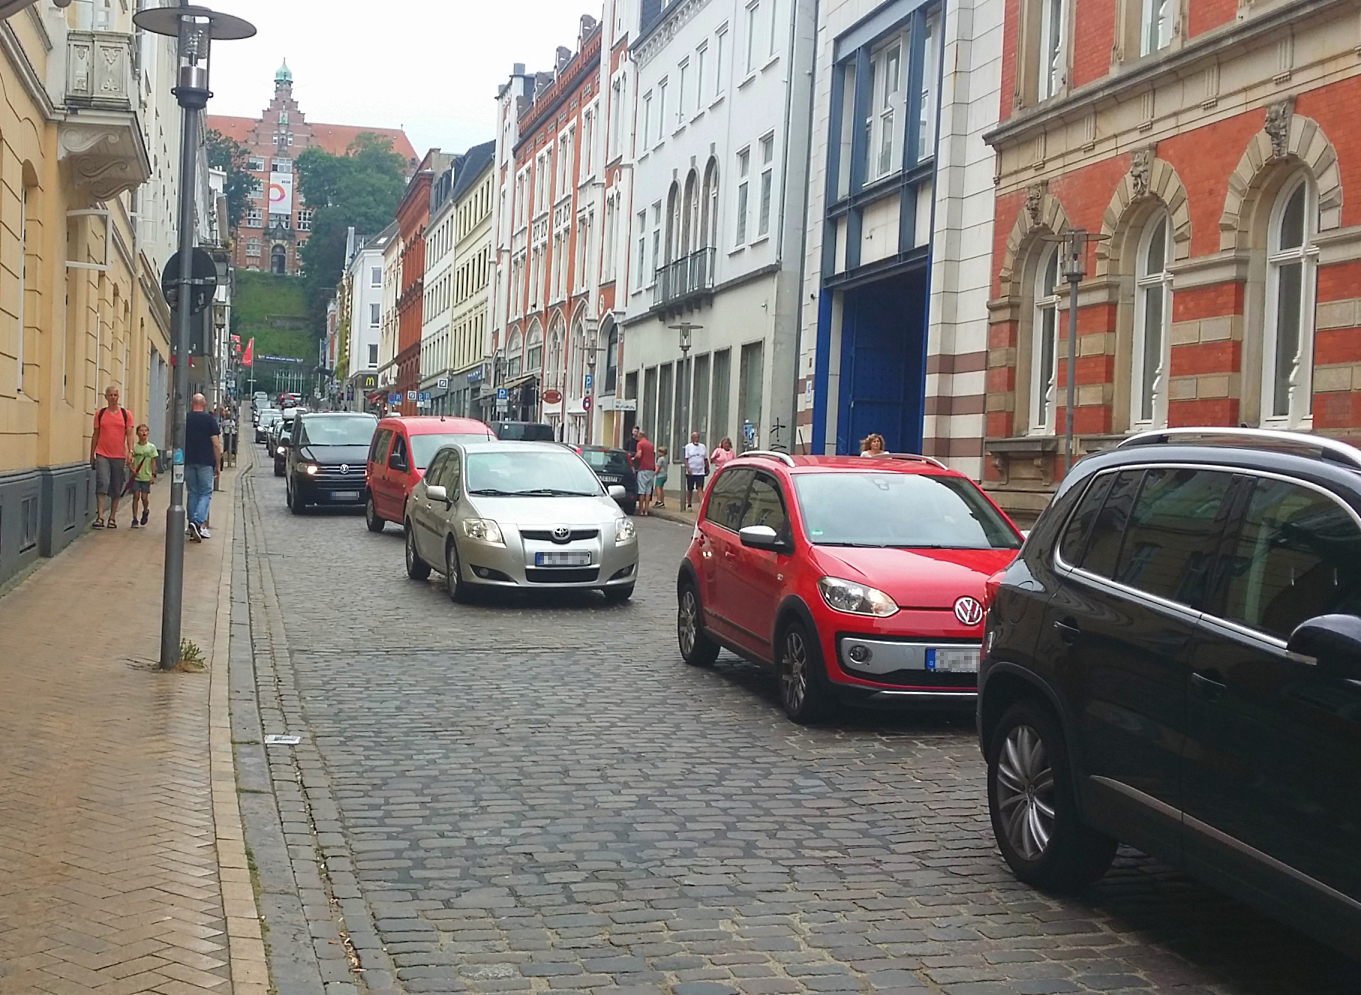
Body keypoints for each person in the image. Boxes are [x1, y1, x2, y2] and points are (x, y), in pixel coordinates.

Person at [90, 385, 134, 529]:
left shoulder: (126, 414)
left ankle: (112, 517)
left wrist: (130, 451)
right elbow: (95, 435)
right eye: (111, 395)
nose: (113, 398)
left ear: (118, 397)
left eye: (115, 395)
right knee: (102, 482)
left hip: (119, 455)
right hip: (102, 453)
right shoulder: (100, 414)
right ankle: (100, 516)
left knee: (116, 485)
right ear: (106, 397)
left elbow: (129, 434)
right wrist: (92, 454)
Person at [185, 394, 222, 542]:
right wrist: (218, 464)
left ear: (191, 403)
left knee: (192, 493)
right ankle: (197, 522)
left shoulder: (185, 418)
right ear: (205, 404)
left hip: (188, 460)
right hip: (206, 461)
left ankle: (191, 525)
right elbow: (216, 444)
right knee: (205, 493)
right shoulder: (209, 420)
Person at [128, 424, 158, 529]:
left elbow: (153, 461)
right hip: (136, 476)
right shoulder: (134, 448)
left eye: (146, 430)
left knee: (144, 497)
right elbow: (129, 461)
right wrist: (132, 470)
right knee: (136, 496)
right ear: (137, 433)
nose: (144, 432)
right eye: (141, 430)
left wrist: (153, 474)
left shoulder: (151, 447)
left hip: (146, 476)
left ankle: (145, 511)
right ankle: (134, 518)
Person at [682, 431, 709, 510]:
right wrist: (688, 468)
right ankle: (689, 504)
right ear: (692, 438)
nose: (696, 439)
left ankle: (702, 505)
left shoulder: (702, 447)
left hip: (700, 471)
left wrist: (707, 467)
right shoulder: (688, 447)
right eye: (695, 437)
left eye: (697, 437)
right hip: (691, 471)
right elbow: (686, 459)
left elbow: (705, 458)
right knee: (690, 489)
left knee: (700, 488)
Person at [633, 429, 656, 517]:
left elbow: (639, 454)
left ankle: (641, 510)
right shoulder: (650, 445)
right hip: (651, 469)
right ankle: (646, 510)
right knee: (648, 491)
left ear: (640, 436)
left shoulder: (640, 444)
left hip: (643, 468)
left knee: (642, 490)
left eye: (637, 437)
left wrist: (634, 458)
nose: (637, 439)